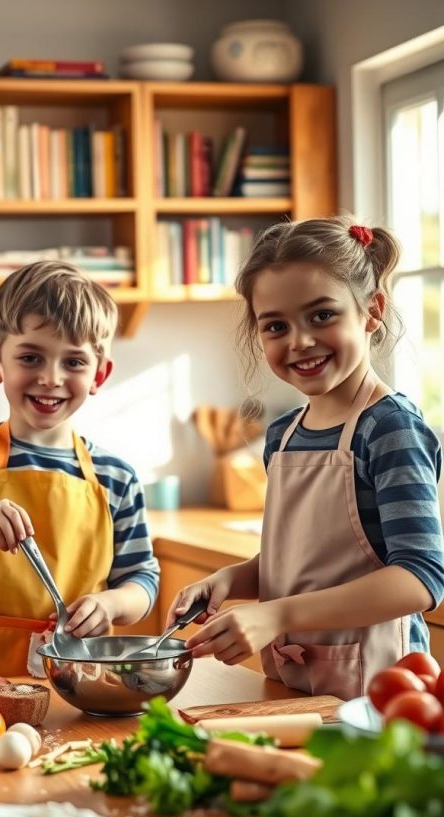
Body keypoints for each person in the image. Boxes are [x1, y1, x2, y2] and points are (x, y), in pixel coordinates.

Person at [167, 216, 444, 699]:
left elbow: (421, 578)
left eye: (321, 316)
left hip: (381, 693)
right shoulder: (283, 435)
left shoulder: (389, 429)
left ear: (372, 310)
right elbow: (297, 561)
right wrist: (231, 580)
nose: (299, 341)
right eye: (276, 325)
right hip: (292, 681)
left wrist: (277, 614)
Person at [0, 260, 159, 675]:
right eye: (31, 357)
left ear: (100, 374)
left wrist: (111, 603)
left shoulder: (117, 477)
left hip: (81, 687)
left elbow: (142, 580)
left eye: (73, 362)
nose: (51, 378)